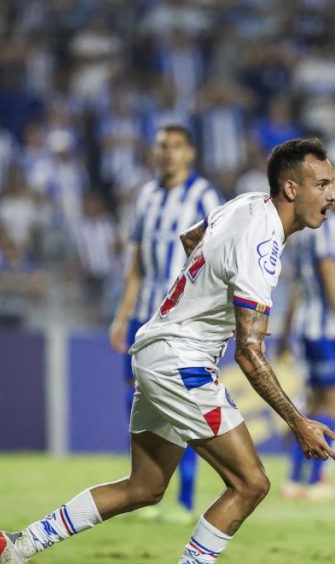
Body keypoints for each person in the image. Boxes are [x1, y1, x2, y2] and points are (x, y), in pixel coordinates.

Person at [0, 138, 335, 564]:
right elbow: (251, 353)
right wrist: (297, 420)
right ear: (291, 187)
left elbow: (190, 238)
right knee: (251, 482)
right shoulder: (263, 247)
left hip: (154, 346)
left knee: (145, 487)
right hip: (182, 361)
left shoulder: (245, 204)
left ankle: (19, 544)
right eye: (322, 184)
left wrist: (201, 293)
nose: (332, 195)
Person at [108, 124, 222, 522]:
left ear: (190, 152)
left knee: (184, 402)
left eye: (176, 146)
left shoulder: (205, 197)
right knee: (136, 398)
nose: (168, 154)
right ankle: (147, 483)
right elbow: (135, 263)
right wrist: (121, 316)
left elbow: (218, 259)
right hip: (142, 312)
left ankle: (186, 499)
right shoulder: (146, 196)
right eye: (162, 147)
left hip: (180, 317)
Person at [278, 207, 335, 500]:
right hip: (328, 330)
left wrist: (287, 328)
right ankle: (314, 481)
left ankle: (293, 479)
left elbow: (297, 286)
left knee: (313, 402)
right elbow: (328, 272)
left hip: (305, 327)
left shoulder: (300, 228)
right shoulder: (331, 225)